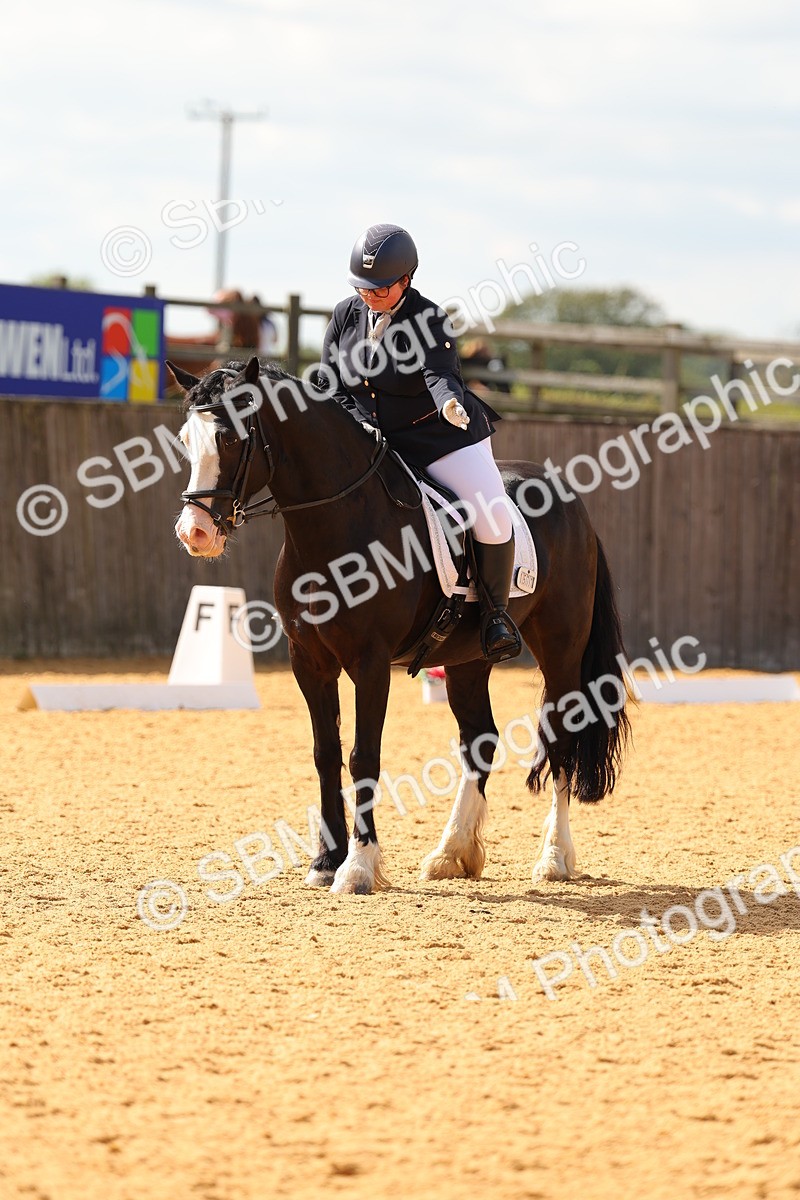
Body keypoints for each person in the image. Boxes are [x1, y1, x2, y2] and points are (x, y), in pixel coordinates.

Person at [320, 223, 521, 662]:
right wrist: (358, 427)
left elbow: (439, 373)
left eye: (379, 288)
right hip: (374, 439)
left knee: (489, 511)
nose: (368, 296)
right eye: (361, 287)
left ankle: (496, 615)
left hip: (439, 437)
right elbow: (332, 383)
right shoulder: (343, 315)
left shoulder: (428, 319)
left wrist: (450, 403)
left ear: (406, 280)